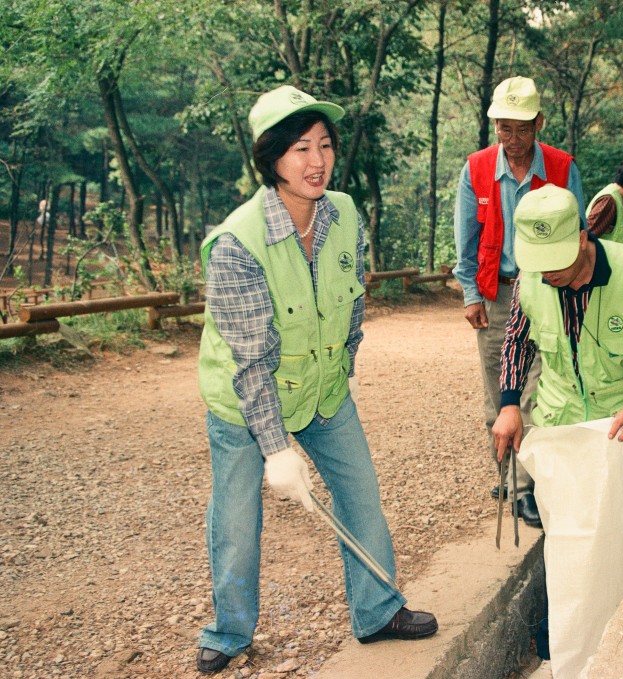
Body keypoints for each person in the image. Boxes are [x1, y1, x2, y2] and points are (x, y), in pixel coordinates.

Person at [195, 86, 436, 675]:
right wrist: (276, 449)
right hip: (246, 406)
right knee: (236, 519)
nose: (317, 161)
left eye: (325, 145)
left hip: (324, 391)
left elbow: (352, 304)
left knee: (360, 496)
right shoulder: (236, 244)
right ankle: (228, 632)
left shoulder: (344, 213)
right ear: (271, 156)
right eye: (300, 147)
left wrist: (342, 365)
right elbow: (250, 361)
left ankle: (378, 609)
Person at [493, 183, 623, 550]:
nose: (548, 272)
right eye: (539, 261)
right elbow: (517, 342)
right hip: (564, 437)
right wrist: (508, 403)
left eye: (556, 258)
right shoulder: (529, 282)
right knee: (570, 542)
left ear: (583, 238)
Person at [453, 76, 586, 528]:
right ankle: (509, 478)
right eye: (503, 129)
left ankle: (528, 488)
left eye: (522, 130)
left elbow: (580, 233)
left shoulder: (564, 167)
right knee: (498, 395)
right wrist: (472, 294)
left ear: (539, 124)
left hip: (548, 288)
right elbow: (465, 238)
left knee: (535, 390)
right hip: (499, 291)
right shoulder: (476, 169)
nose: (512, 140)